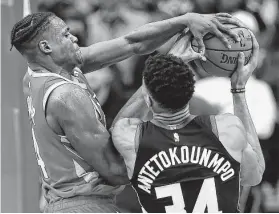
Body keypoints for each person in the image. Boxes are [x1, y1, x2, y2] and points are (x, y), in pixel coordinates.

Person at [11, 11, 241, 213]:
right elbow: (115, 170)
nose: (74, 38)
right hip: (84, 205)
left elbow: (132, 43)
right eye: (65, 34)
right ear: (46, 47)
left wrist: (185, 21)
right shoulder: (66, 97)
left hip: (70, 203)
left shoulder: (39, 74)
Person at [111, 31, 265, 212]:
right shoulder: (225, 128)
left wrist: (172, 58)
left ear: (148, 99)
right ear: (191, 93)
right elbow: (254, 176)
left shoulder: (131, 137)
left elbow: (121, 121)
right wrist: (238, 89)